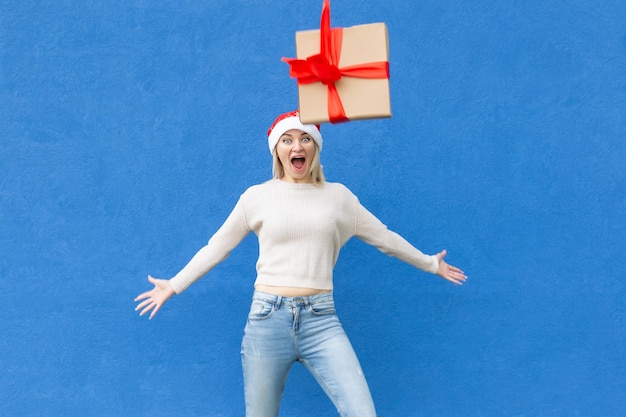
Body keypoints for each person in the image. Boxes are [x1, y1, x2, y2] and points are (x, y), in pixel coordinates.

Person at [134, 110, 466, 417]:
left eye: (305, 138)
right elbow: (217, 247)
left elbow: (386, 239)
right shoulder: (256, 197)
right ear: (277, 150)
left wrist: (430, 264)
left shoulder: (339, 198)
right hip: (266, 320)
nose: (298, 146)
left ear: (316, 148)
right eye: (288, 139)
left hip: (321, 320)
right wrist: (174, 284)